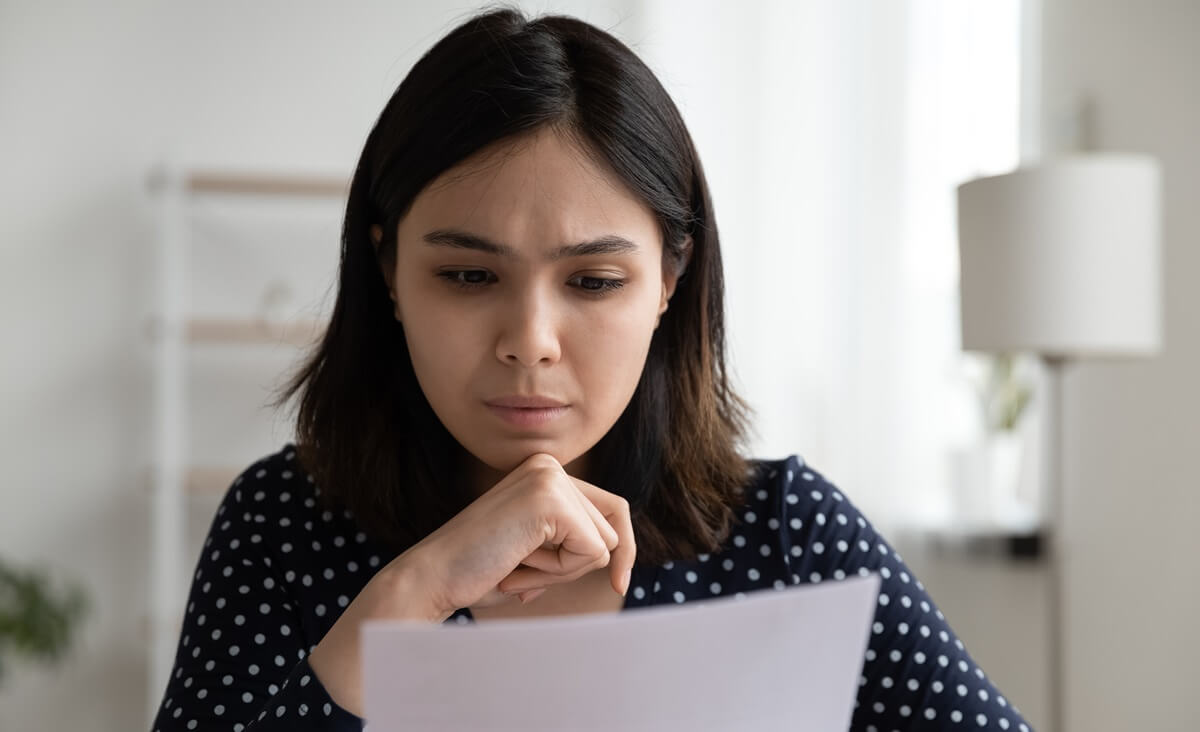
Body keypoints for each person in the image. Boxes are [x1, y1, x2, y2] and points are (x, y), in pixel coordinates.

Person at [150, 6, 1035, 731]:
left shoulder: (786, 538)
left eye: (594, 280)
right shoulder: (283, 528)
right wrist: (414, 592)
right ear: (387, 271)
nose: (531, 339)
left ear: (668, 283)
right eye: (467, 274)